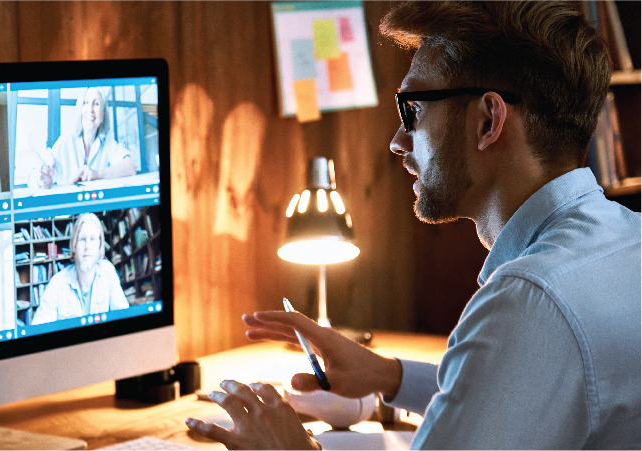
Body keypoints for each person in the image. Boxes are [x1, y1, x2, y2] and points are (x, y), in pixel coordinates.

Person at [186, 1, 641, 449]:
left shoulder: (530, 299)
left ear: (488, 121)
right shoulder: (626, 240)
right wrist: (388, 375)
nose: (398, 141)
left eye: (413, 110)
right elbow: (524, 389)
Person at [27, 87, 136, 189]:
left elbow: (130, 167)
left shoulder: (108, 143)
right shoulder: (66, 141)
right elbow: (40, 166)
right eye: (86, 102)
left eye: (96, 104)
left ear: (102, 115)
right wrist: (38, 177)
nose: (90, 109)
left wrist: (96, 174)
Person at [31, 213, 128, 325]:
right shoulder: (57, 284)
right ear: (74, 245)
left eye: (92, 239)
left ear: (99, 245)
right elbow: (39, 328)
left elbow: (124, 316)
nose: (87, 246)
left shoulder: (108, 272)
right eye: (82, 239)